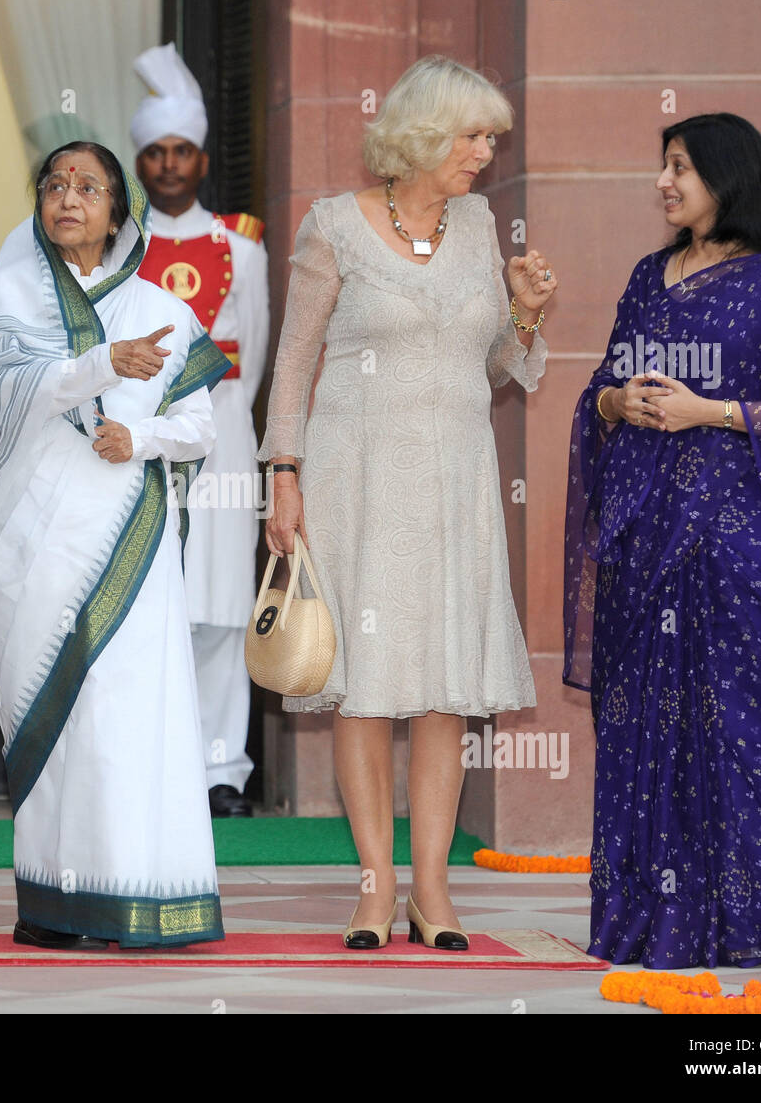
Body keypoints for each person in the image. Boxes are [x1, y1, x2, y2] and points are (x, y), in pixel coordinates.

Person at [260, 56, 557, 949]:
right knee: (365, 689)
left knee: (442, 688)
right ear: (425, 134)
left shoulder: (478, 224)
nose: (485, 152)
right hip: (357, 480)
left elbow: (495, 363)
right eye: (473, 135)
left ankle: (433, 889)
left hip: (456, 481)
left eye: (491, 137)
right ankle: (373, 886)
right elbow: (295, 361)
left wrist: (527, 314)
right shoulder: (332, 227)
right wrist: (283, 474)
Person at [564, 113, 761, 969]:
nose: (664, 183)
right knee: (645, 726)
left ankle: (754, 925)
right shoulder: (651, 276)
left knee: (742, 729)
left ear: (728, 176)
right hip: (648, 543)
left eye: (680, 167)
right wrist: (620, 405)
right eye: (663, 166)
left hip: (743, 547)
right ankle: (646, 922)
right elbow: (603, 384)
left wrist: (709, 412)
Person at [0, 141, 231, 949]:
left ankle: (137, 895)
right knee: (59, 710)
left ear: (120, 209)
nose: (68, 198)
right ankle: (55, 904)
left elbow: (198, 428)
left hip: (128, 542)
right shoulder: (17, 296)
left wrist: (139, 437)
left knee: (122, 712)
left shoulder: (165, 307)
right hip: (33, 539)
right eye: (54, 184)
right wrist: (98, 364)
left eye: (88, 187)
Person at [131, 43, 270, 818]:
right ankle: (157, 761)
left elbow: (252, 354)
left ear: (203, 158)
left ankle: (223, 767)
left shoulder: (243, 247)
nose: (171, 165)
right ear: (141, 161)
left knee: (219, 604)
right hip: (146, 445)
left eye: (182, 151)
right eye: (156, 152)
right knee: (154, 605)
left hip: (222, 442)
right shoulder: (122, 247)